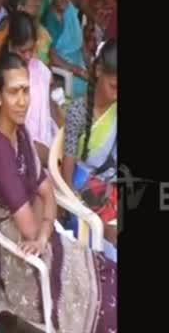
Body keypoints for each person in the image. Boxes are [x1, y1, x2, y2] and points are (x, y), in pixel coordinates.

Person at [0, 52, 117, 333]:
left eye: (26, 91)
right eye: (13, 92)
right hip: (22, 263)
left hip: (46, 245)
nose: (22, 100)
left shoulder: (20, 134)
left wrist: (44, 231)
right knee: (105, 310)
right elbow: (28, 229)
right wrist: (42, 228)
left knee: (110, 276)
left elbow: (48, 193)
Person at [63, 39, 117, 245]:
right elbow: (67, 177)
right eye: (113, 86)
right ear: (98, 71)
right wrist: (75, 206)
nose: (116, 93)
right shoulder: (78, 111)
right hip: (84, 190)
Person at [0, 11, 61, 165]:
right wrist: (32, 148)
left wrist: (58, 140)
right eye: (23, 51)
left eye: (32, 49)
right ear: (10, 46)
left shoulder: (40, 70)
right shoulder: (1, 72)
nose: (28, 56)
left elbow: (51, 108)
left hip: (44, 146)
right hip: (17, 147)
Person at [43, 0, 88, 98]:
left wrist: (89, 63)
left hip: (79, 62)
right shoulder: (50, 19)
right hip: (64, 68)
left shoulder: (71, 11)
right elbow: (51, 55)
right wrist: (76, 70)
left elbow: (81, 43)